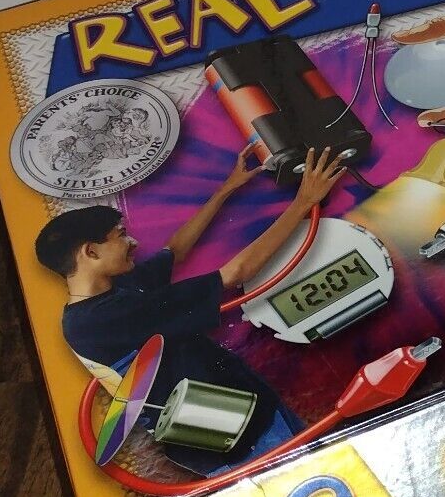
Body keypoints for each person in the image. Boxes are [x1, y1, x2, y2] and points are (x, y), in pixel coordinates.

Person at [35, 146, 348, 475]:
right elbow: (236, 273)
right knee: (315, 479)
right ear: (91, 252)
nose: (133, 243)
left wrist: (227, 188)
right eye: (121, 236)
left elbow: (174, 250)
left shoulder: (109, 295)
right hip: (236, 438)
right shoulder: (106, 319)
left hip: (247, 411)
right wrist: (303, 202)